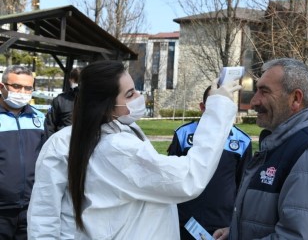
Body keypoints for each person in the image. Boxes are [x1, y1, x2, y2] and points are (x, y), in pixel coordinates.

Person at [27, 60, 241, 239]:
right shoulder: (116, 147)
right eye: (129, 94)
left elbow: (43, 215)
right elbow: (189, 177)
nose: (139, 97)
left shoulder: (82, 138)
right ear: (106, 105)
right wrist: (218, 108)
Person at [213, 58, 308, 240]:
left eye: (264, 91)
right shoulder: (280, 145)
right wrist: (235, 232)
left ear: (296, 99)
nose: (254, 101)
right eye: (257, 90)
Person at [168, 85, 252, 239]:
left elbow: (243, 185)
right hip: (185, 222)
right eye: (215, 105)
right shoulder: (183, 134)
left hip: (221, 224)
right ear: (202, 107)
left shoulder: (242, 140)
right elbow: (172, 178)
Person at [0, 65, 45, 239]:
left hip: (30, 208)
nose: (22, 92)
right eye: (16, 86)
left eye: (28, 88)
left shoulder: (39, 119)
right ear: (2, 87)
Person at [44, 67, 80, 139]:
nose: (78, 84)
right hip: (62, 144)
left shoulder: (94, 101)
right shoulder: (60, 100)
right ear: (70, 80)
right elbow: (49, 126)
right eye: (76, 81)